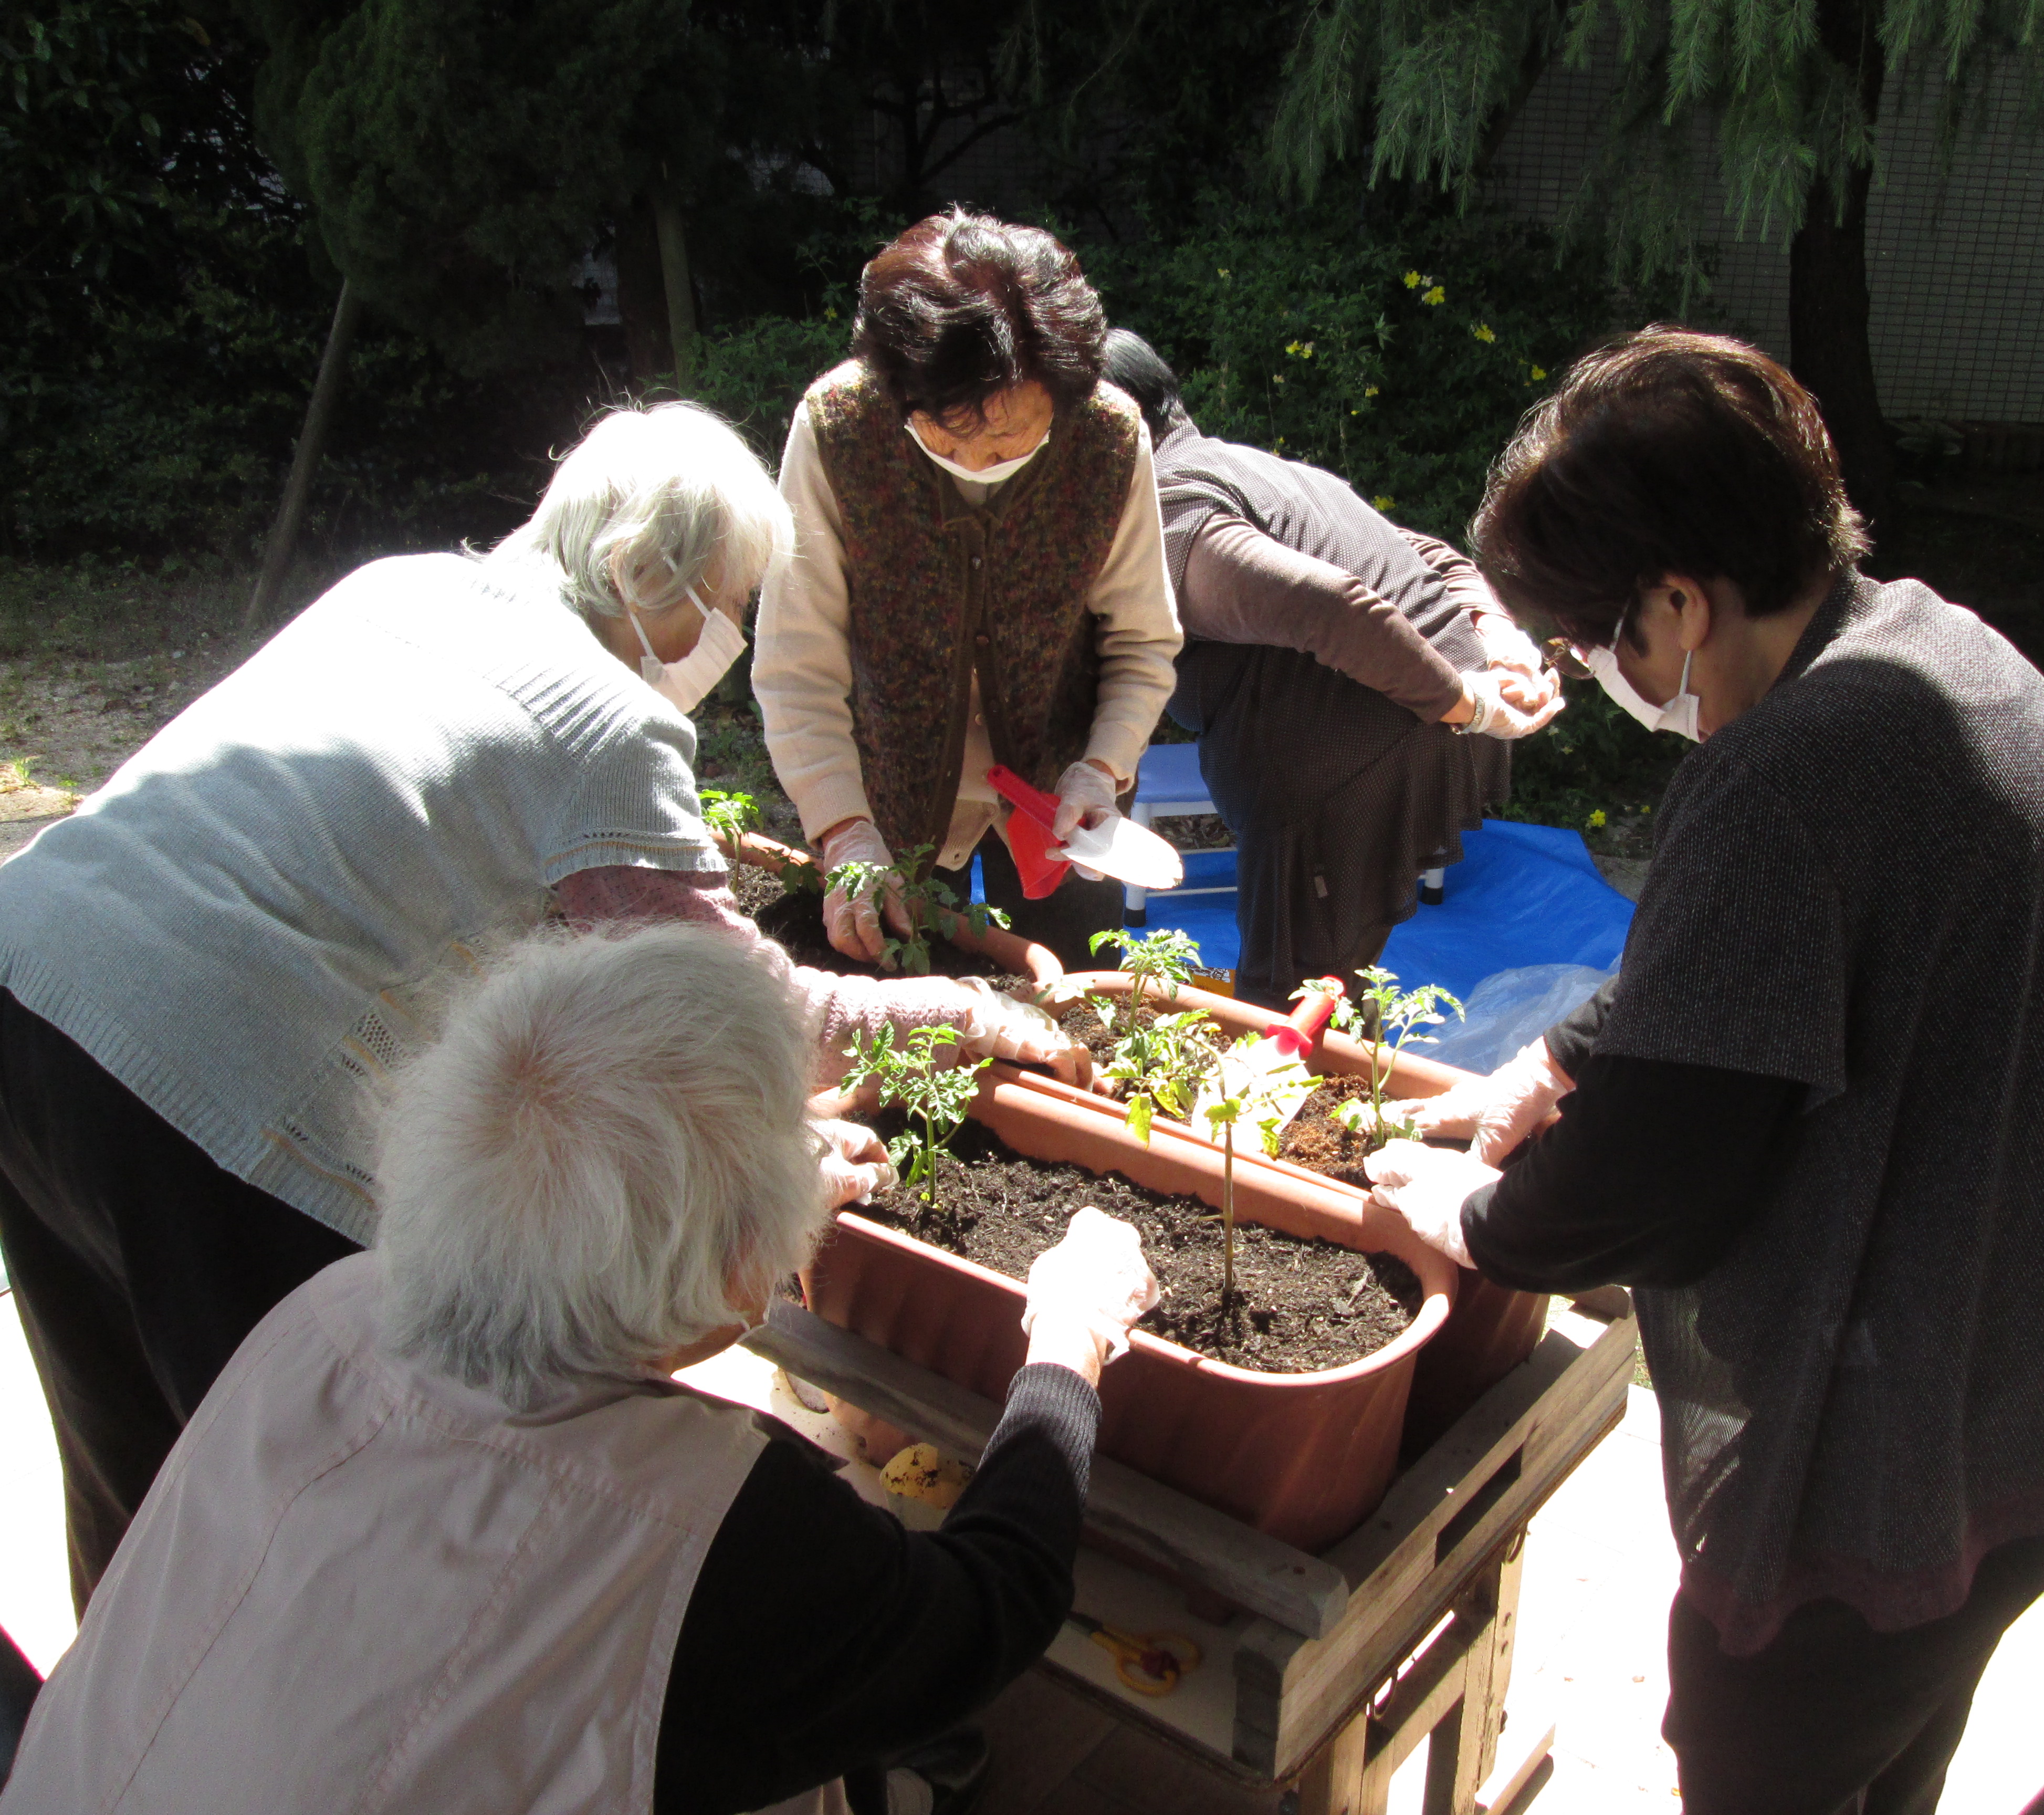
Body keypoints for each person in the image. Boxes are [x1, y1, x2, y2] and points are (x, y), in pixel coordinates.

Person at [1362, 328, 2044, 1815]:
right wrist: (1554, 1059)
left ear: (1678, 601)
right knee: (1894, 1707)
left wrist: (1468, 1218)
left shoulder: (1796, 767)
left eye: (1600, 646)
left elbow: (1668, 1174)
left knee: (1765, 1729)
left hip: (1995, 1348)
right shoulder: (1912, 642)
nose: (1602, 678)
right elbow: (1772, 971)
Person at [0, 400, 1083, 1609]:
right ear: (631, 566)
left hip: (34, 970)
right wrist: (969, 1014)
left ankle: (107, 1740)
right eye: (717, 604)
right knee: (299, 1499)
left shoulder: (399, 586)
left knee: (125, 1458)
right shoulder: (600, 715)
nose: (721, 640)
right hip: (204, 1071)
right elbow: (744, 1015)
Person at [1, 923, 1161, 1814]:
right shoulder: (718, 1527)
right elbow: (988, 1612)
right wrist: (1070, 1336)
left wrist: (728, 1225)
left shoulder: (329, 1310)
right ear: (743, 1276)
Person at [753, 209, 1183, 972]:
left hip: (1064, 813)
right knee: (906, 1038)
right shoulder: (840, 427)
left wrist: (1102, 766)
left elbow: (1142, 639)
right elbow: (797, 664)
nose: (979, 458)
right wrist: (844, 829)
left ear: (1063, 392)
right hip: (889, 807)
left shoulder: (1108, 437)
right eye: (946, 440)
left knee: (1074, 1013)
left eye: (1010, 438)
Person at [1098, 330, 1563, 1009]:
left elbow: (1327, 603)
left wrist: (1462, 701)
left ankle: (1304, 1107)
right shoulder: (1242, 465)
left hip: (1345, 766)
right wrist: (1493, 630)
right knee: (1332, 981)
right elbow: (1429, 553)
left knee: (1288, 995)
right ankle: (1339, 1085)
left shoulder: (1171, 508)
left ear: (1114, 417)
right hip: (1376, 743)